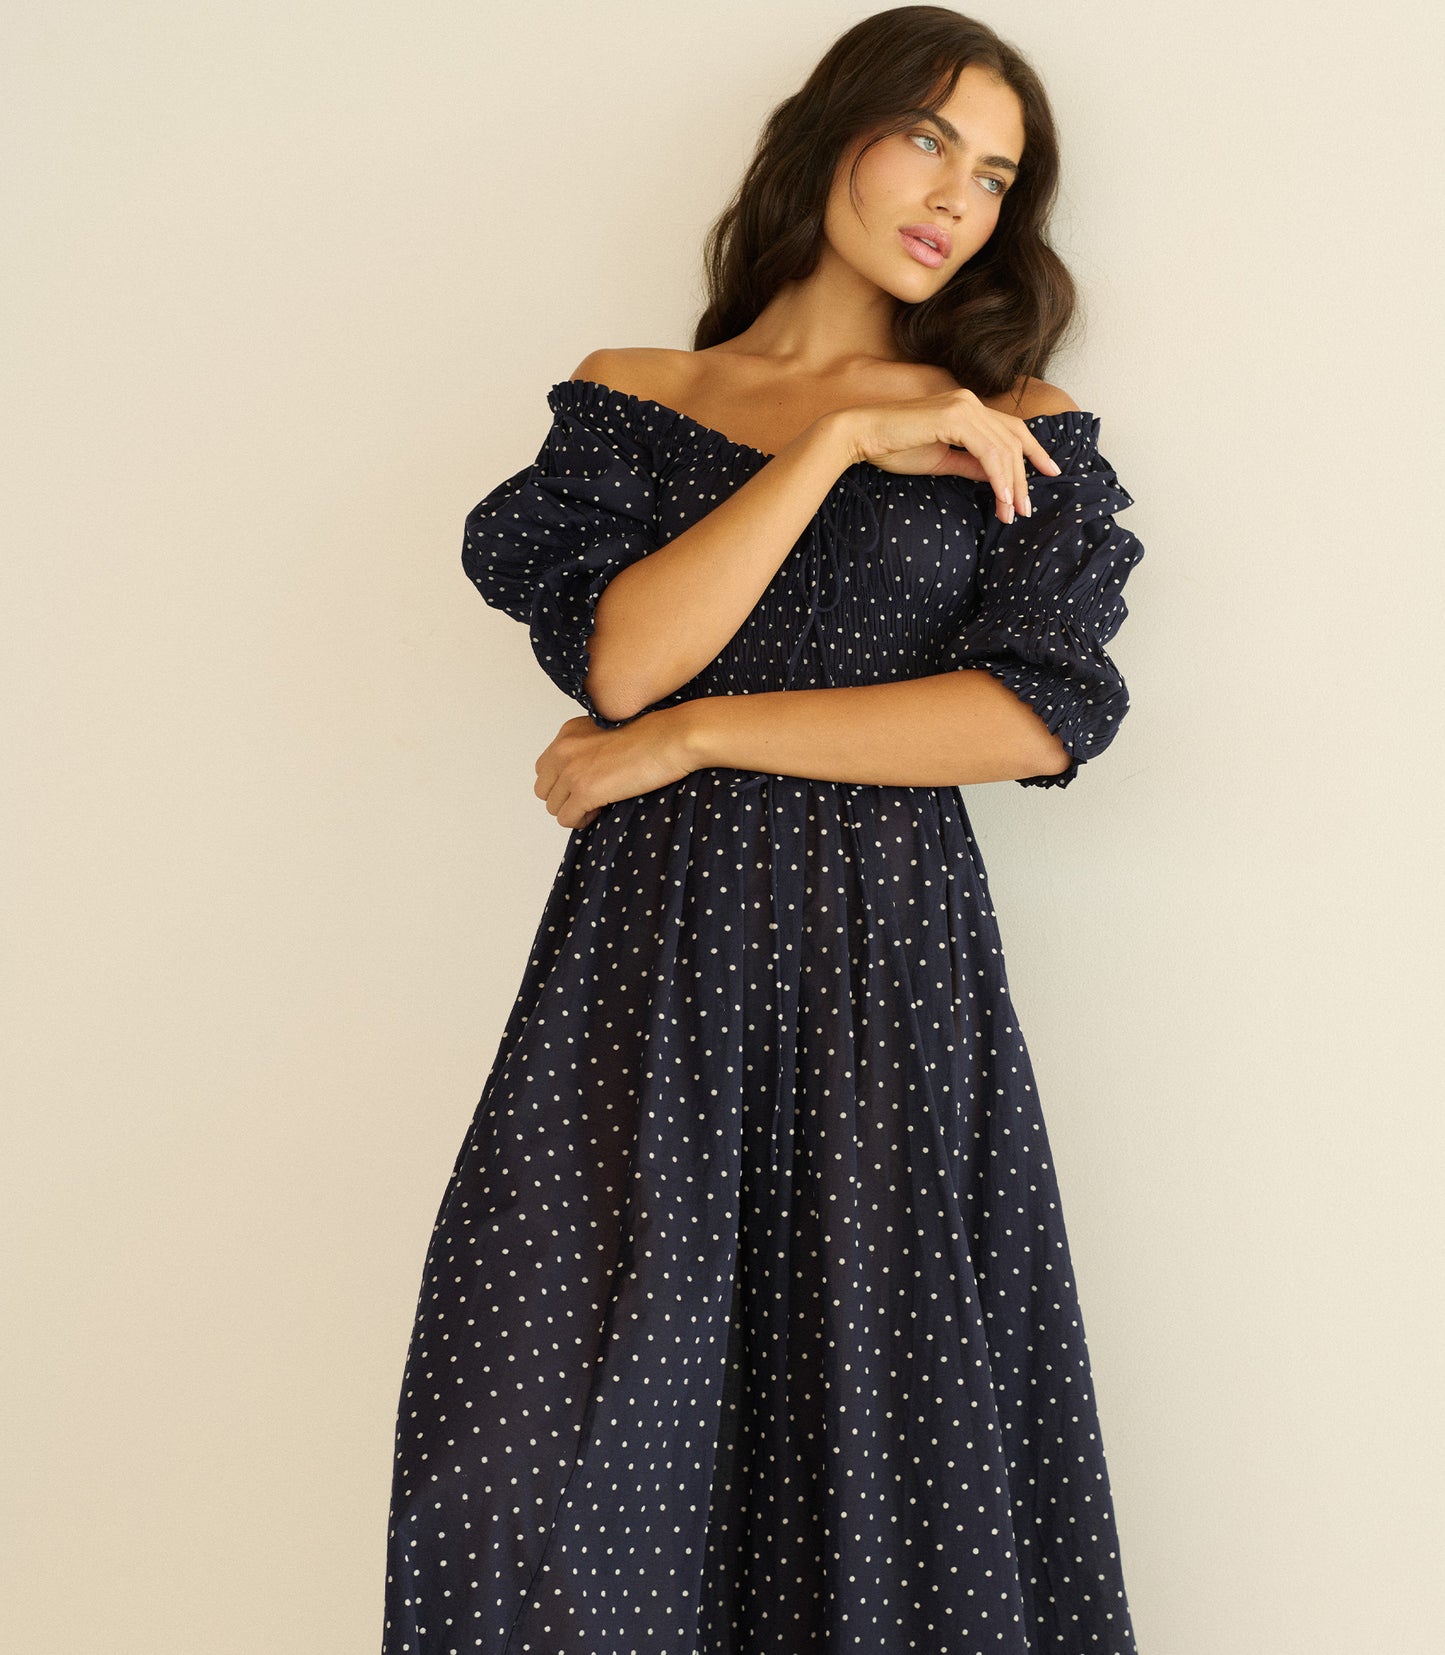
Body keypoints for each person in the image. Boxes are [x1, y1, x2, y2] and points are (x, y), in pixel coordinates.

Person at [381, 7, 1146, 1652]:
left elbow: (1033, 715)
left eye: (997, 175)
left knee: (874, 1455)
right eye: (929, 139)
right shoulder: (637, 398)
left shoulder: (1009, 422)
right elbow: (621, 656)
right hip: (641, 980)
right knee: (526, 1452)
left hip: (885, 977)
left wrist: (697, 743)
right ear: (832, 134)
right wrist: (839, 440)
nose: (957, 198)